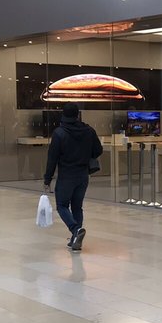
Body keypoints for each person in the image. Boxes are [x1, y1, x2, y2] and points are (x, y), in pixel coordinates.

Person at [43, 102, 102, 251]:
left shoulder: (59, 133)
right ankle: (76, 239)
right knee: (77, 206)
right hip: (83, 175)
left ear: (63, 115)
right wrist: (87, 155)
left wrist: (47, 179)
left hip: (66, 175)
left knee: (62, 205)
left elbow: (52, 158)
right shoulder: (89, 131)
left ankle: (75, 230)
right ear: (77, 115)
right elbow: (98, 150)